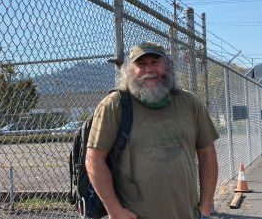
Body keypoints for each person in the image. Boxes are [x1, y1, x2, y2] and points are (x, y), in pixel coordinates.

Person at [85, 41, 219, 219]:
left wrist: (205, 209)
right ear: (130, 70)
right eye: (141, 64)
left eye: (155, 62)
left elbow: (207, 155)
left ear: (168, 66)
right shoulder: (115, 105)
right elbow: (94, 159)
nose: (149, 70)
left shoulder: (189, 102)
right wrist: (115, 210)